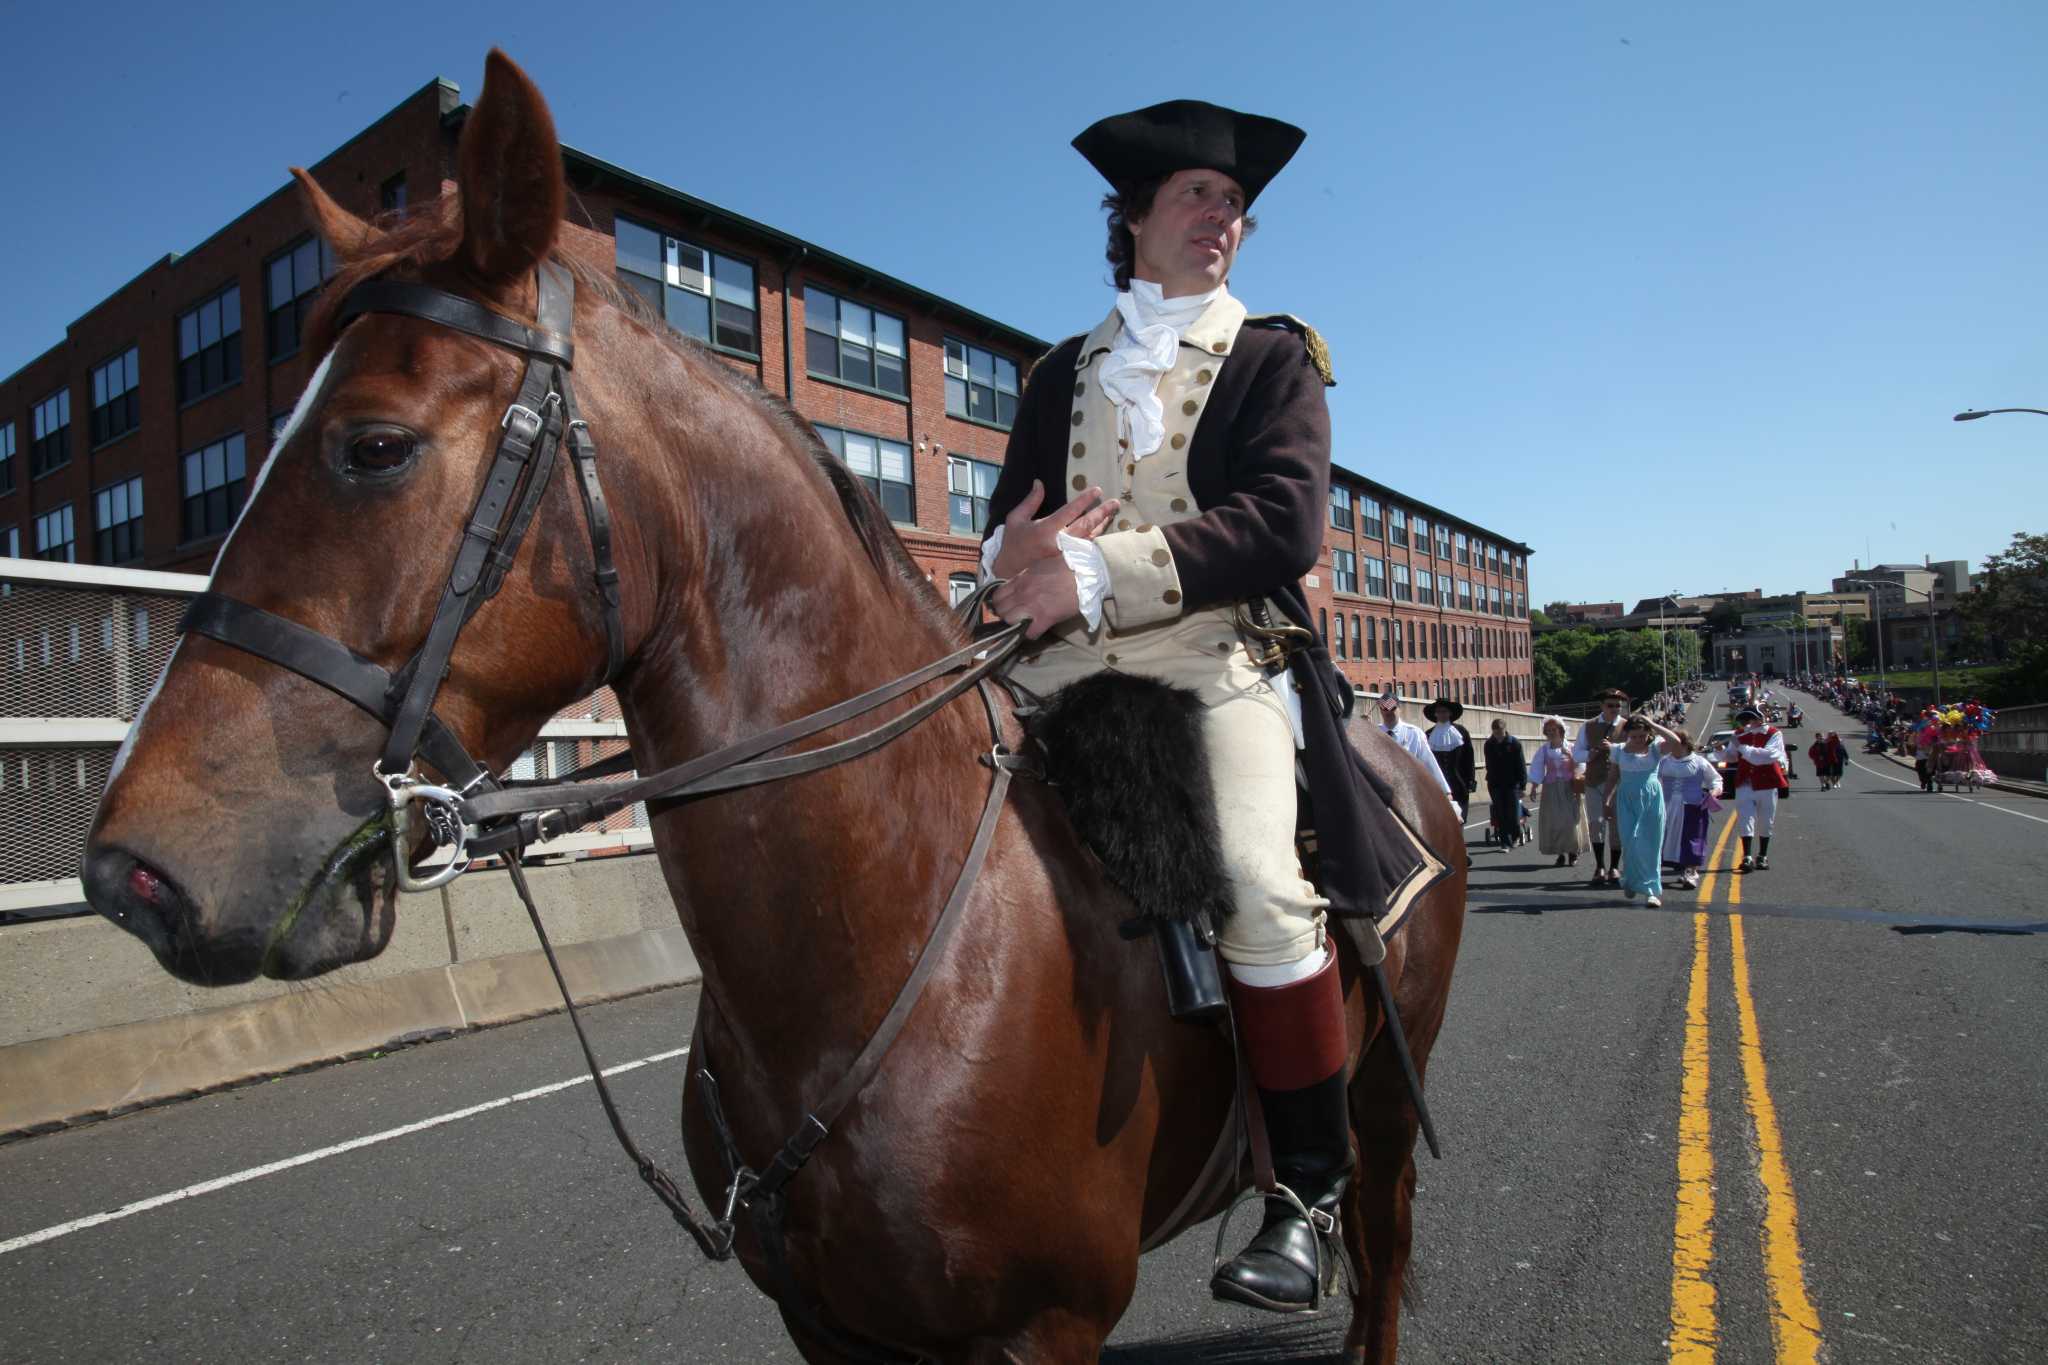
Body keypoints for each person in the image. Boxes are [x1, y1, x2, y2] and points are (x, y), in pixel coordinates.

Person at [979, 100, 1446, 1313]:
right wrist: (1007, 557)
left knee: (1251, 875)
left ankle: (1305, 1192)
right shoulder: (1051, 372)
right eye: (1196, 196)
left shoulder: (1272, 357)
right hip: (1049, 658)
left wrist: (1102, 567)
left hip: (1206, 656)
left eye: (1232, 205)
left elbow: (1284, 524)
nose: (1222, 219)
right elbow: (1009, 530)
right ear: (1130, 218)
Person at [1609, 713, 1683, 907]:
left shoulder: (1655, 749)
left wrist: (1651, 723)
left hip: (1651, 799)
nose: (1638, 740)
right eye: (1633, 736)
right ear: (1627, 735)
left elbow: (1675, 741)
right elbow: (1612, 776)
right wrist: (1605, 799)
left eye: (1642, 736)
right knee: (1630, 842)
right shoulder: (1618, 751)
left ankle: (1651, 891)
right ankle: (1631, 881)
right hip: (1627, 799)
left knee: (1651, 844)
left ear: (1648, 734)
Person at [1572, 688, 1629, 886]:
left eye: (1618, 706)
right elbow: (1576, 752)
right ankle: (1599, 866)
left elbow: (1636, 751)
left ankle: (1614, 866)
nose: (1615, 709)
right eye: (1610, 705)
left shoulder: (1627, 726)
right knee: (1596, 824)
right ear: (1602, 706)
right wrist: (1591, 754)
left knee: (1616, 825)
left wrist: (1613, 748)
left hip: (1618, 782)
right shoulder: (1588, 726)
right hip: (1594, 781)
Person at [1726, 707, 1787, 870]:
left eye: (1752, 719)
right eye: (1746, 719)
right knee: (1745, 819)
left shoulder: (1774, 734)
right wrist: (1721, 751)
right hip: (1745, 783)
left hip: (1767, 783)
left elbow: (1766, 757)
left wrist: (1742, 747)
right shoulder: (1739, 734)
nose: (1749, 723)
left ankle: (1763, 855)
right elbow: (1732, 756)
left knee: (1766, 820)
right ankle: (1746, 856)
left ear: (1761, 718)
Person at [1658, 731, 1719, 889]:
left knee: (1692, 839)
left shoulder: (1699, 762)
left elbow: (1716, 780)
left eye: (1673, 742)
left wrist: (1714, 791)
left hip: (1692, 806)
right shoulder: (1663, 762)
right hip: (1667, 805)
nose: (1669, 745)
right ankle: (1679, 869)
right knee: (1667, 838)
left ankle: (1691, 872)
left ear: (1684, 744)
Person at [1528, 716, 1587, 866]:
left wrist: (1571, 759)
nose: (1551, 733)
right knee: (1555, 821)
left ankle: (1573, 852)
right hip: (1551, 788)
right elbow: (1537, 768)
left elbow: (1581, 767)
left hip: (1569, 787)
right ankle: (1560, 852)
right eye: (1548, 731)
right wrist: (1534, 786)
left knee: (1570, 820)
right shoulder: (1544, 750)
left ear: (1561, 730)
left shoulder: (1571, 748)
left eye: (1553, 730)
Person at [1377, 693, 1456, 804]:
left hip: (1409, 794)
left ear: (1399, 708)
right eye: (1384, 708)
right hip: (1382, 794)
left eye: (1392, 708)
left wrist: (1445, 791)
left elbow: (1428, 762)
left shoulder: (1413, 733)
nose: (1388, 712)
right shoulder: (1374, 732)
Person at [1426, 699, 1476, 824]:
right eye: (1438, 712)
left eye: (1444, 711)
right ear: (1435, 714)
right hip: (1438, 786)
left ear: (1450, 713)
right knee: (1441, 822)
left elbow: (1469, 758)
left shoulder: (1461, 732)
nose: (1441, 714)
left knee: (1459, 819)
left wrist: (1470, 780)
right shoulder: (1428, 734)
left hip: (1459, 785)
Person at [1483, 718, 1527, 847]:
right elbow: (1488, 764)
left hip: (1512, 784)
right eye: (1495, 733)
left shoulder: (1514, 743)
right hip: (1495, 783)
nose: (1498, 736)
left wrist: (1522, 785)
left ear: (1504, 730)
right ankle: (1504, 842)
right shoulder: (1489, 744)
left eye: (1500, 733)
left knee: (1513, 813)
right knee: (1500, 813)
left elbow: (1521, 765)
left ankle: (1515, 836)